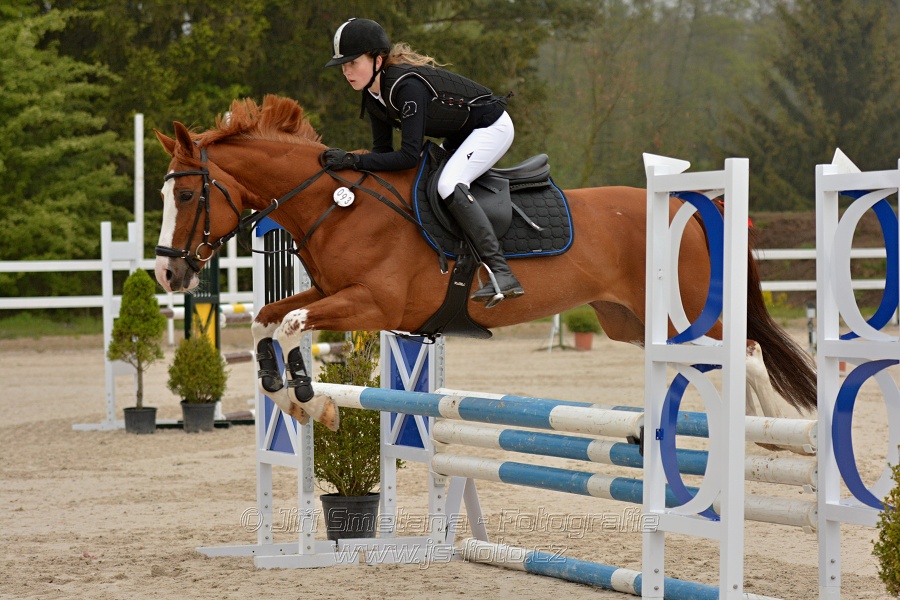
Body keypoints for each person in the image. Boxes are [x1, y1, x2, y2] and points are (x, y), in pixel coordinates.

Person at [321, 17, 523, 305]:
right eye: (343, 65)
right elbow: (382, 152)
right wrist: (355, 163)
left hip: (491, 127)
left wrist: (353, 160)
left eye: (353, 63)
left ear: (378, 59)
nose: (347, 71)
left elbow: (406, 156)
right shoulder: (372, 94)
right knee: (426, 183)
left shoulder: (406, 87)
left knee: (449, 184)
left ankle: (502, 273)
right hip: (461, 134)